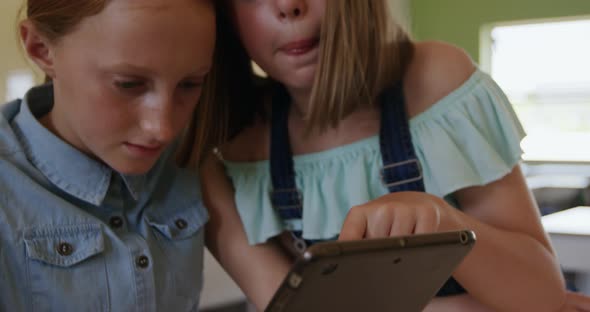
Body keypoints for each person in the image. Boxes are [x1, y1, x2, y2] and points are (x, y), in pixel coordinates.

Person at [183, 0, 568, 311]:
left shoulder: (438, 78)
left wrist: (441, 220)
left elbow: (541, 295)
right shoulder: (235, 145)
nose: (288, 6)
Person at [0, 0, 215, 311]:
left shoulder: (190, 155)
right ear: (41, 49)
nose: (163, 129)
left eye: (190, 84)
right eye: (128, 84)